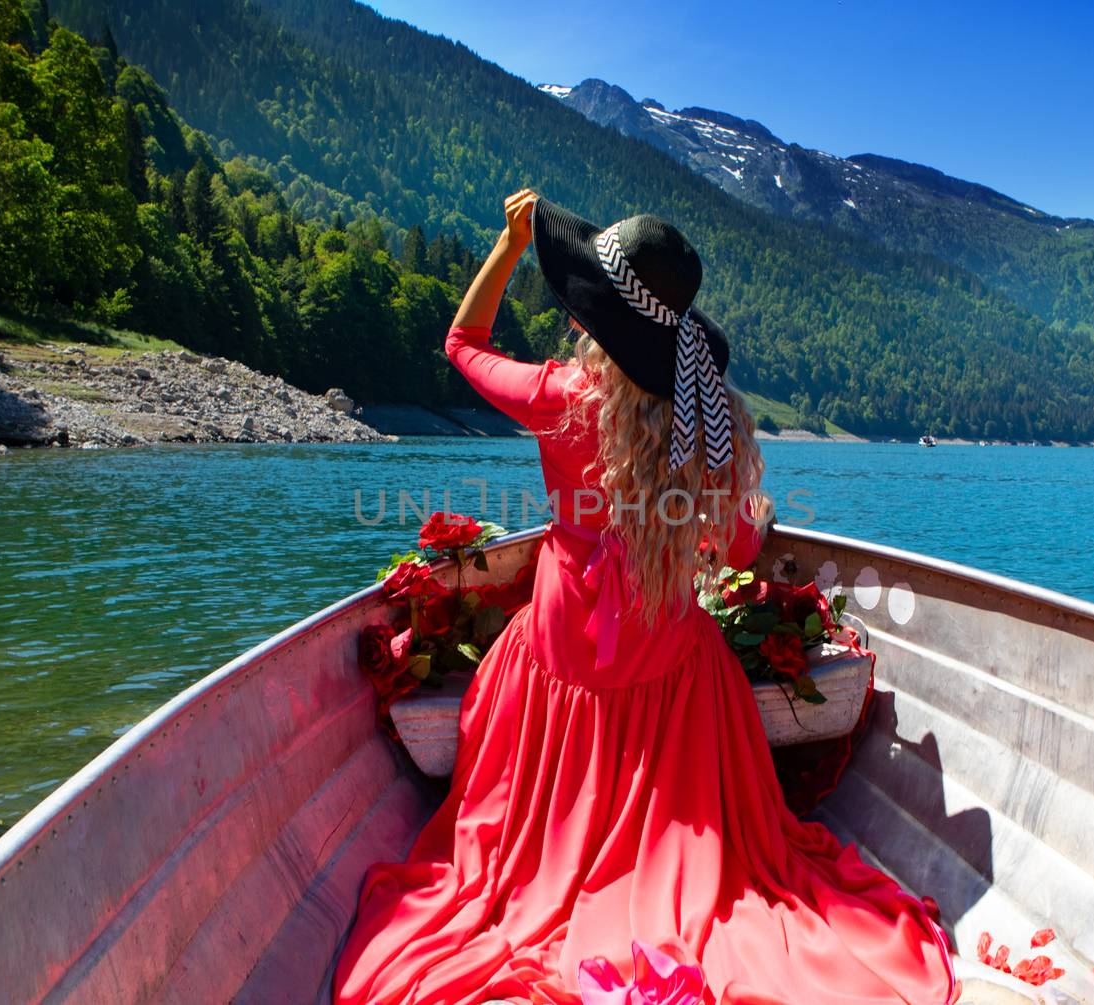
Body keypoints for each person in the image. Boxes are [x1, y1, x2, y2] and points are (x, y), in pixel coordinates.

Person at [331, 189, 959, 1004]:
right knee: (703, 678)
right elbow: (735, 549)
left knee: (521, 680)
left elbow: (462, 340)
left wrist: (513, 242)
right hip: (668, 664)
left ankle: (558, 858)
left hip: (560, 658)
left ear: (595, 312)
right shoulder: (706, 418)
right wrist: (752, 516)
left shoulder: (560, 396)